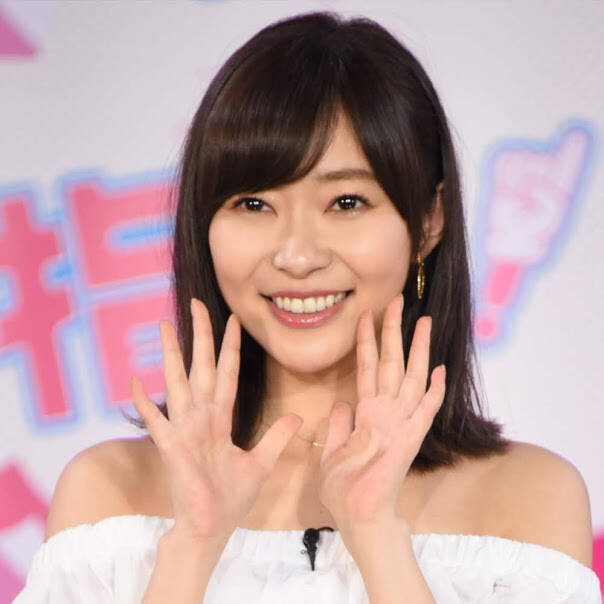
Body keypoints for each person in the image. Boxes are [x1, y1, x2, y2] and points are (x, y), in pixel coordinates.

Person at [15, 11, 601, 603]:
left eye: (346, 202)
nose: (296, 256)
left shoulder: (530, 498)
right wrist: (193, 543)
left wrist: (376, 534)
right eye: (253, 204)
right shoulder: (107, 497)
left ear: (429, 221)